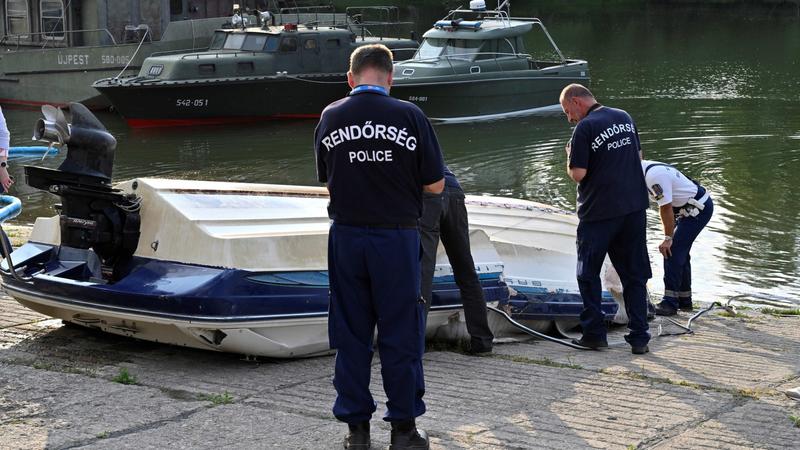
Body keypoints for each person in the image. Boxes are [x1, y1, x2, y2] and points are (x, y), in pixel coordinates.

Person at [314, 44, 444, 450]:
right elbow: (435, 185)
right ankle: (403, 430)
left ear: (350, 78)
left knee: (351, 332)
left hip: (347, 236)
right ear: (391, 77)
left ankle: (357, 432)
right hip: (396, 236)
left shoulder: (330, 116)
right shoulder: (410, 116)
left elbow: (329, 181)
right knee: (400, 332)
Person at [559, 83, 652, 355]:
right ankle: (639, 337)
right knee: (634, 274)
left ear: (577, 102)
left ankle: (594, 333)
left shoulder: (584, 128)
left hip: (598, 213)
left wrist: (568, 157)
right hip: (633, 208)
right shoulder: (624, 117)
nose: (569, 118)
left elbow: (578, 173)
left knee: (587, 273)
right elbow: (638, 157)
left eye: (567, 111)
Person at [419, 167, 494, 354]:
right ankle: (482, 342)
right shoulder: (425, 140)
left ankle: (414, 345)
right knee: (465, 269)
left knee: (423, 276)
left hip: (427, 195)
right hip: (454, 190)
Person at [641, 159, 713, 316]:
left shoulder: (653, 177)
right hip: (686, 208)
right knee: (681, 253)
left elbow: (665, 208)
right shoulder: (642, 167)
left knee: (671, 250)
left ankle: (669, 304)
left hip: (697, 209)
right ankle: (684, 300)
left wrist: (668, 238)